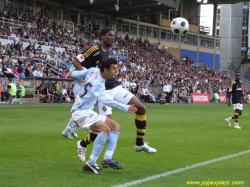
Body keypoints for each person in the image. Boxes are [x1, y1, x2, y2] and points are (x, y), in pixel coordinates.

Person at [72, 28, 156, 160]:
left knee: (141, 108)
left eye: (114, 35)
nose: (113, 37)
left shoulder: (107, 52)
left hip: (115, 87)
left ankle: (139, 144)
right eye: (110, 35)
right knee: (107, 126)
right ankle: (85, 145)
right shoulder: (94, 49)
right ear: (102, 37)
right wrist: (87, 76)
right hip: (103, 92)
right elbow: (76, 60)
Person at [69, 58, 137, 174]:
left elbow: (72, 74)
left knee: (116, 127)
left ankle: (108, 158)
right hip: (81, 113)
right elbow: (107, 101)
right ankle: (91, 163)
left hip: (87, 111)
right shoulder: (99, 85)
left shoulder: (92, 70)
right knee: (105, 129)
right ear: (106, 70)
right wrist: (125, 107)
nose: (116, 71)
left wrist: (79, 78)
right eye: (114, 68)